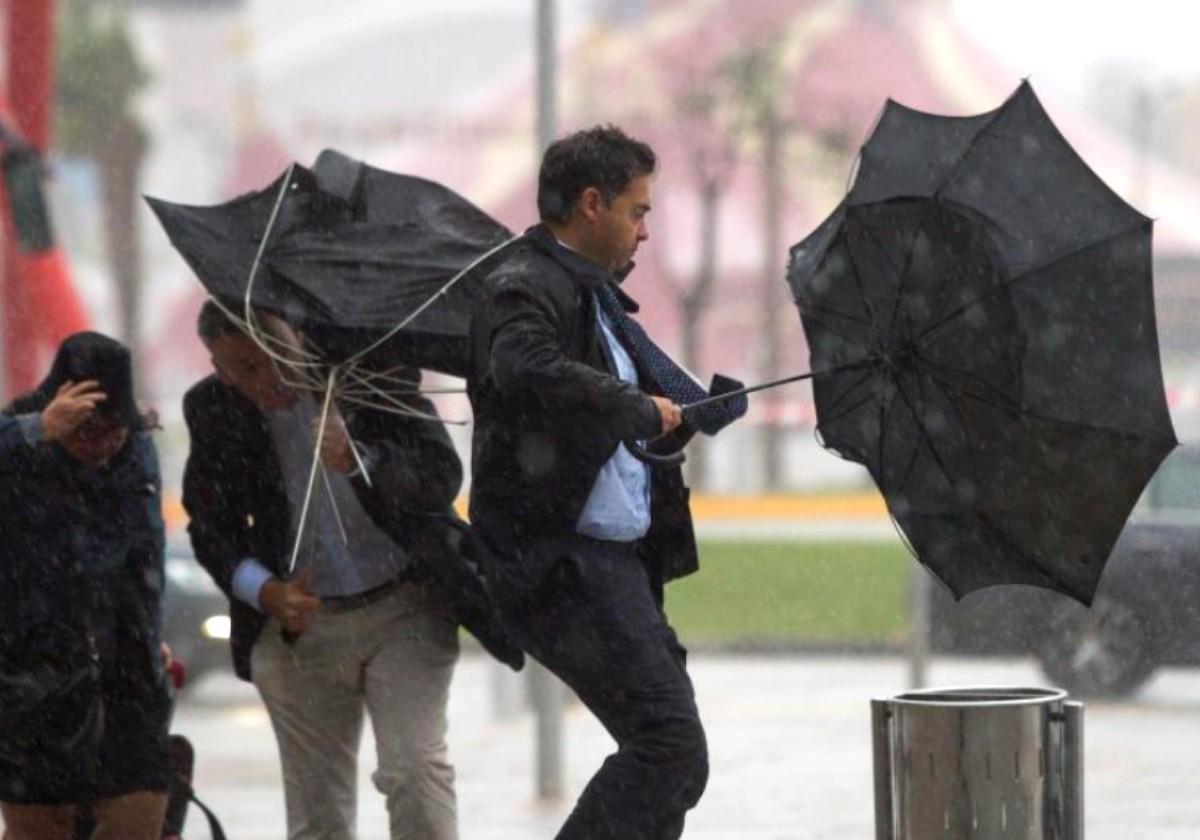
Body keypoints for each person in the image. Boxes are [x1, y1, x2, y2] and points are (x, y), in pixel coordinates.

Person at [468, 125, 728, 839]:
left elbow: (596, 414)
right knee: (667, 747)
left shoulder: (594, 297)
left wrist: (669, 418)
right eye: (638, 211)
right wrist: (635, 406)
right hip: (563, 566)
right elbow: (526, 368)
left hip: (615, 566)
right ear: (591, 204)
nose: (645, 230)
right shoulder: (524, 285)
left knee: (677, 762)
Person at [182, 302, 497, 840]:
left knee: (415, 772)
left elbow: (440, 474)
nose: (268, 378)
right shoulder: (214, 409)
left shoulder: (369, 372)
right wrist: (265, 591)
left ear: (295, 336)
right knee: (318, 810)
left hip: (406, 606)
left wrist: (360, 460)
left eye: (277, 356)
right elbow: (212, 528)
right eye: (244, 368)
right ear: (218, 368)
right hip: (302, 629)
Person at [0, 332, 170, 840]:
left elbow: (148, 554)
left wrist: (148, 632)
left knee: (137, 814)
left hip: (126, 670)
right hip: (30, 672)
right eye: (86, 429)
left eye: (115, 429)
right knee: (40, 826)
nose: (102, 444)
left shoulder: (136, 454)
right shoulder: (20, 443)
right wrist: (34, 433)